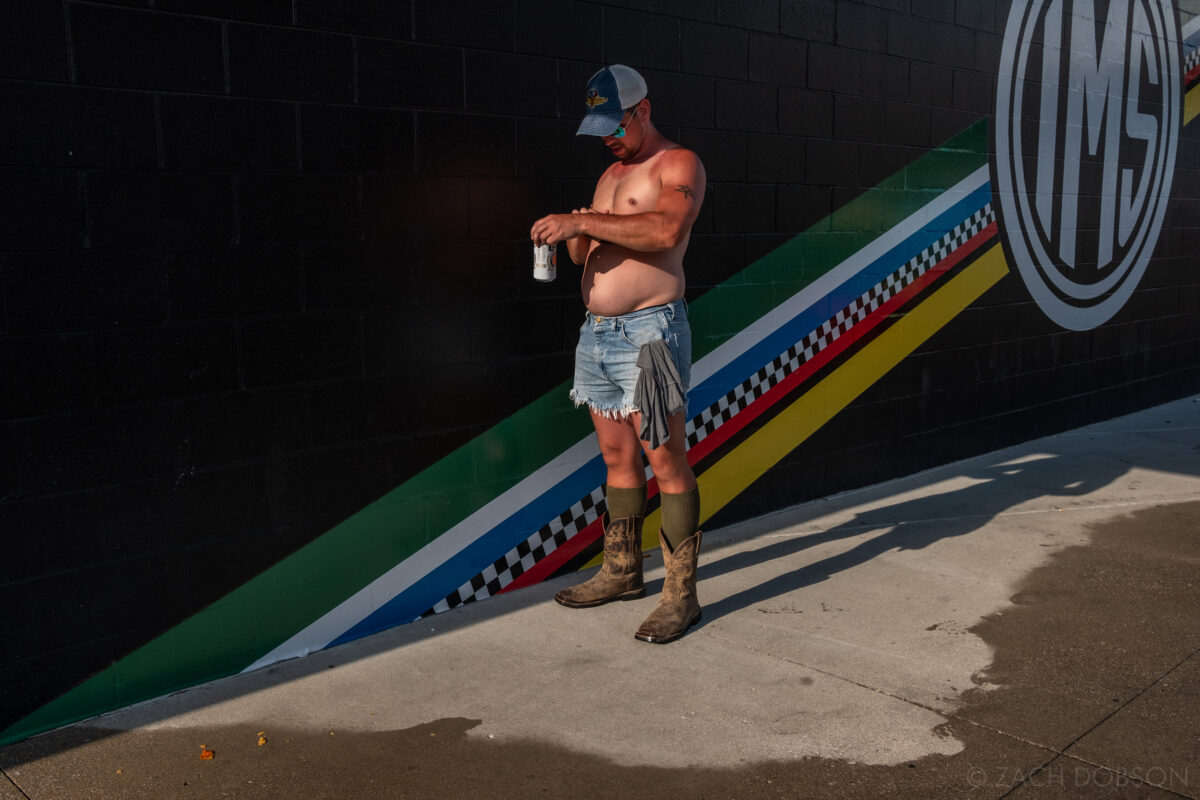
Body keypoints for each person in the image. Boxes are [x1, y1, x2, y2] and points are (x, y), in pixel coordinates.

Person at [530, 64, 707, 644]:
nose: (608, 136)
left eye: (615, 123)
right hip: (599, 334)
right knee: (616, 457)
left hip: (649, 334)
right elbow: (586, 257)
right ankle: (621, 571)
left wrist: (584, 219)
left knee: (665, 458)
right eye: (599, 126)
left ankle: (680, 597)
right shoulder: (609, 174)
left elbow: (664, 233)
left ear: (643, 110)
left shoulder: (677, 164)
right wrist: (570, 233)